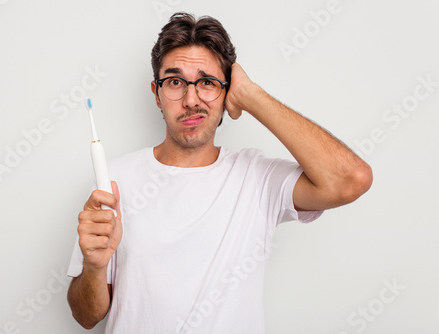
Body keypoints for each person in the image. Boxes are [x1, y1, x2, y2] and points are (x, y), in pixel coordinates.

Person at [66, 12, 372, 334]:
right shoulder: (114, 180)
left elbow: (351, 179)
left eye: (208, 83)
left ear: (227, 93)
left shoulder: (258, 179)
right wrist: (94, 267)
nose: (191, 100)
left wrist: (252, 96)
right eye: (175, 82)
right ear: (156, 94)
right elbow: (86, 316)